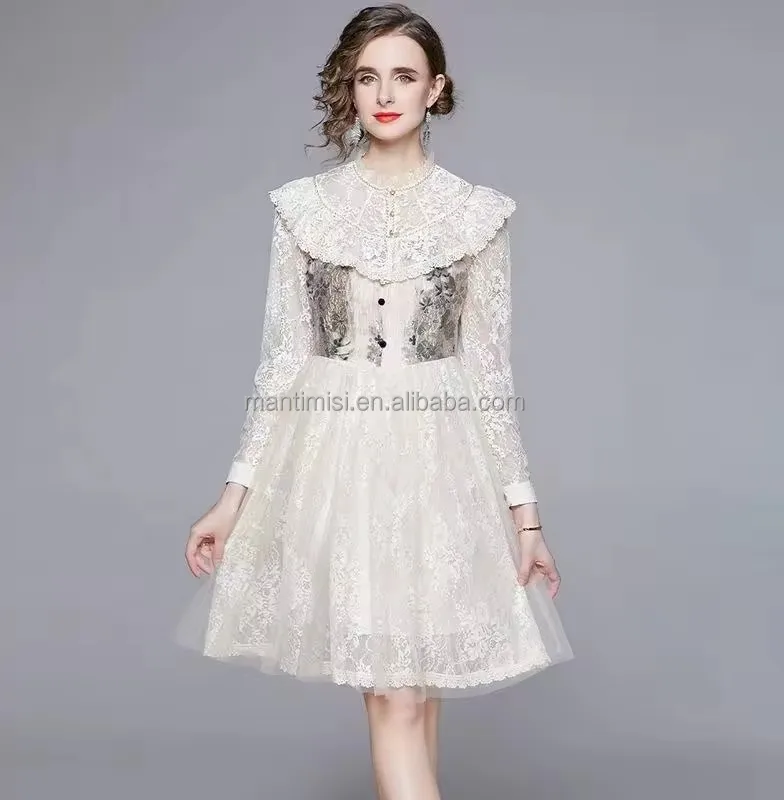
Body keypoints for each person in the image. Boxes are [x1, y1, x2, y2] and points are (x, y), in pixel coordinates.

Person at [176, 4, 573, 799]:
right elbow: (282, 359)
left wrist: (525, 518)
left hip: (442, 464)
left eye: (404, 76)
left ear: (436, 89)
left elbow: (489, 371)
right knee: (394, 693)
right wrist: (233, 497)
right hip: (341, 465)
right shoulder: (305, 208)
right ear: (349, 89)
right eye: (367, 77)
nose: (385, 94)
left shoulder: (478, 214)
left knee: (415, 693)